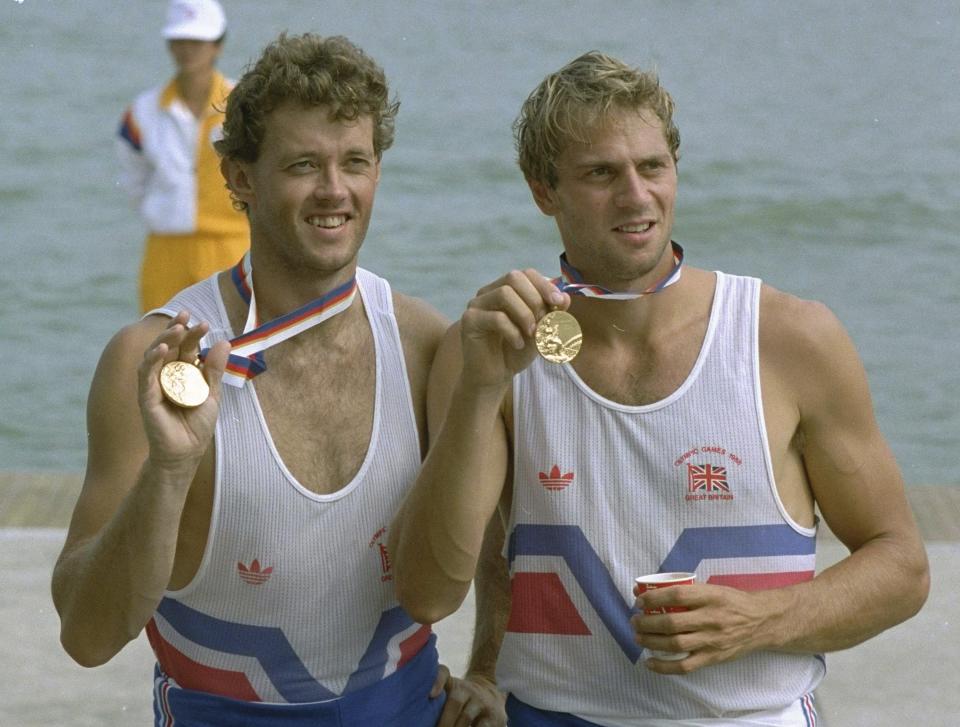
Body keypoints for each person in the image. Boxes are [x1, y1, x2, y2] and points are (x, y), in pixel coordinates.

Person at [388, 51, 930, 725]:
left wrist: (760, 618)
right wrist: (477, 390)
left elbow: (902, 564)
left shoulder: (789, 339)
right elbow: (428, 591)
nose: (636, 195)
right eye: (600, 174)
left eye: (652, 166)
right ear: (543, 191)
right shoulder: (494, 347)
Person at [54, 32, 504, 726]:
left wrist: (487, 671)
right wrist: (170, 471)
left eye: (355, 161)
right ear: (239, 177)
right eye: (303, 164)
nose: (335, 190)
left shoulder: (420, 342)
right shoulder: (149, 359)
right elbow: (86, 635)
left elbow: (503, 523)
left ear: (377, 170)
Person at [116, 0, 249, 313]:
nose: (187, 49)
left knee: (238, 347)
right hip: (165, 250)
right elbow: (133, 179)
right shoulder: (142, 112)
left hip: (233, 244)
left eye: (197, 41)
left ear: (217, 44)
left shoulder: (245, 105)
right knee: (162, 347)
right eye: (179, 41)